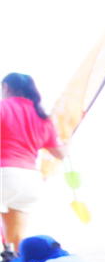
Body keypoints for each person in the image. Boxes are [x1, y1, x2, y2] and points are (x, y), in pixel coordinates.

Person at [1, 73, 61, 249]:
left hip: (4, 173)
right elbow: (60, 153)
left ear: (6, 87)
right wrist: (69, 143)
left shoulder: (3, 107)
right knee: (18, 242)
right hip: (30, 180)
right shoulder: (42, 116)